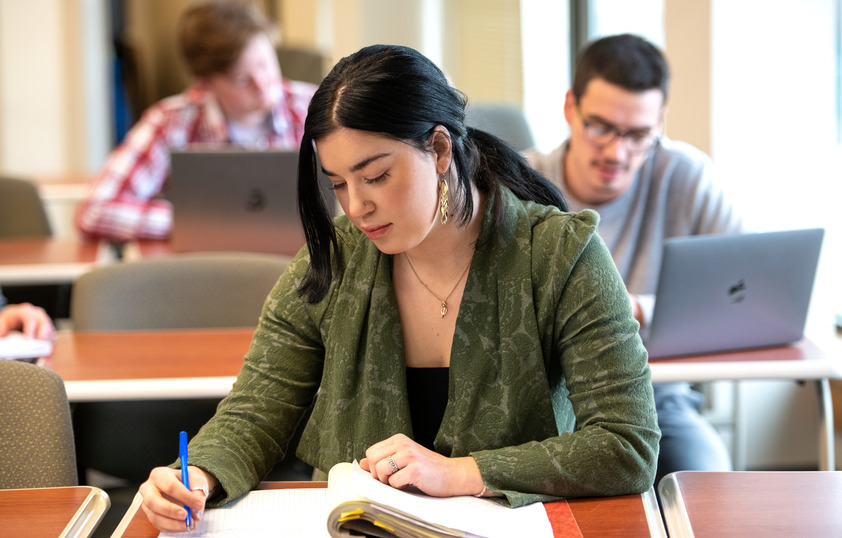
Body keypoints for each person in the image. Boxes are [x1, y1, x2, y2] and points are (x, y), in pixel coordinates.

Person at [138, 44, 660, 533]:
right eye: (339, 183)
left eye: (377, 176)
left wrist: (460, 472)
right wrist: (198, 475)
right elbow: (257, 409)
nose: (356, 207)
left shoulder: (558, 255)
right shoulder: (334, 260)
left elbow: (627, 444)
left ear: (437, 149)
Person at [526, 33, 742, 487]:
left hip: (655, 394)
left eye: (639, 134)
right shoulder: (522, 183)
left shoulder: (685, 176)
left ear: (660, 121)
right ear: (570, 108)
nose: (616, 152)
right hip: (539, 395)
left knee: (711, 485)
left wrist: (637, 307)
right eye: (600, 126)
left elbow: (741, 294)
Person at [75, 0, 317, 242]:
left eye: (265, 65)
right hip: (211, 269)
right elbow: (95, 211)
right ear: (206, 83)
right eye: (242, 80)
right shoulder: (170, 123)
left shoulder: (317, 107)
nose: (263, 87)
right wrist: (198, 220)